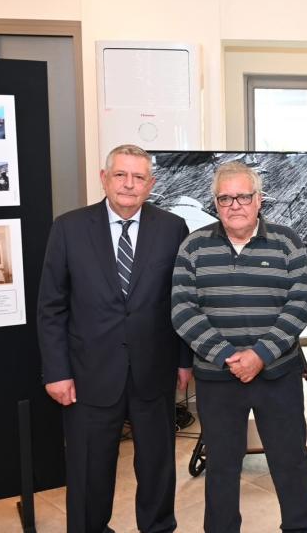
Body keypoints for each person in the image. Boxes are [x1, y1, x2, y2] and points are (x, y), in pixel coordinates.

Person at [37, 144, 191, 533]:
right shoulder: (68, 228)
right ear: (104, 178)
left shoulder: (173, 228)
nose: (128, 184)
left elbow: (183, 301)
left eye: (139, 177)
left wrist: (184, 360)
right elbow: (51, 307)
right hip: (88, 374)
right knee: (90, 469)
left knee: (157, 467)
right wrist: (56, 371)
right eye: (120, 175)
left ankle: (157, 527)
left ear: (151, 184)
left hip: (153, 372)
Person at [172, 161, 307, 533]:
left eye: (243, 196)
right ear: (215, 203)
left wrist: (260, 354)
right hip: (217, 379)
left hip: (278, 376)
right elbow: (182, 309)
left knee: (290, 461)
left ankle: (300, 527)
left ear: (259, 199)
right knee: (222, 467)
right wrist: (227, 356)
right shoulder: (193, 246)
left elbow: (301, 303)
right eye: (225, 198)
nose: (234, 205)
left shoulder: (287, 242)